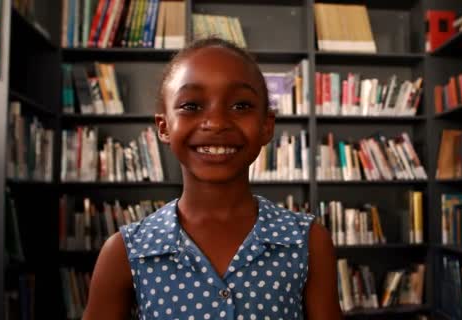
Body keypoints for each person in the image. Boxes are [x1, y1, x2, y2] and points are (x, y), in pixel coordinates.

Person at [83, 37, 342, 320]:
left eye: (241, 106)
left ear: (267, 126)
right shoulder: (126, 251)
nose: (217, 123)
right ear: (164, 127)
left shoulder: (307, 242)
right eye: (191, 106)